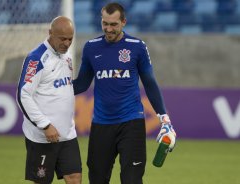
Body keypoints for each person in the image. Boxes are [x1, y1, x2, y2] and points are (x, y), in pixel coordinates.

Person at [73, 2, 176, 184]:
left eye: (114, 24)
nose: (109, 29)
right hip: (101, 124)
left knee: (132, 180)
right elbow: (81, 85)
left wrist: (165, 119)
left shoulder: (137, 47)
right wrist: (53, 87)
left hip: (131, 123)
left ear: (123, 22)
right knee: (96, 180)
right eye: (105, 23)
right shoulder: (91, 47)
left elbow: (150, 84)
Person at [16, 16, 82, 184]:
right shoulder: (36, 59)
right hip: (43, 137)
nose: (67, 43)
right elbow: (23, 95)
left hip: (67, 134)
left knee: (75, 178)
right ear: (50, 33)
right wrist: (45, 124)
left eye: (70, 39)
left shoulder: (66, 57)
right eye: (62, 39)